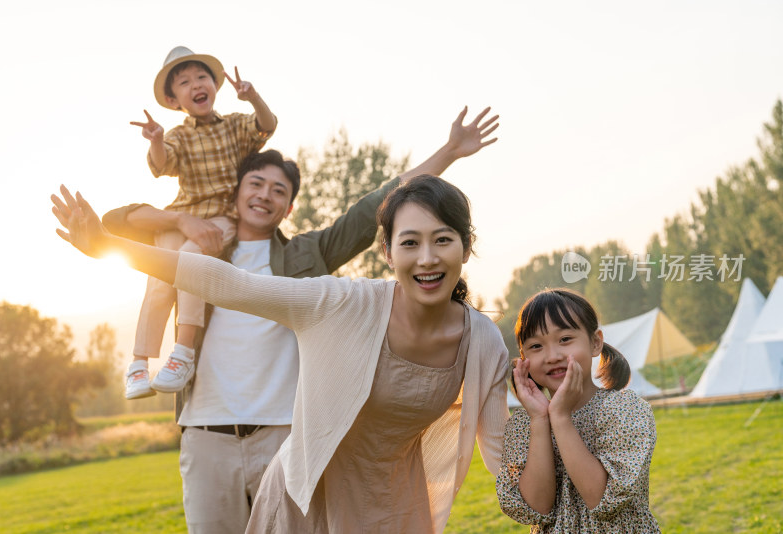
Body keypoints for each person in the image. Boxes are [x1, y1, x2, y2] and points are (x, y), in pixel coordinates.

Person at [68, 107, 500, 533]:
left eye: (278, 190)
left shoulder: (306, 261)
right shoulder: (203, 249)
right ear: (234, 192)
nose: (264, 195)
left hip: (284, 431)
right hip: (210, 430)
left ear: (290, 207)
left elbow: (381, 207)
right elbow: (215, 277)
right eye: (255, 184)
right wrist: (113, 242)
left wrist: (448, 152)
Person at [125, 45, 278, 400]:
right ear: (174, 99)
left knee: (192, 260)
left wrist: (252, 96)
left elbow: (266, 126)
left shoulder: (236, 125)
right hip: (182, 217)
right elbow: (163, 165)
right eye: (184, 82)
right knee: (159, 276)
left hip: (221, 217)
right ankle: (138, 362)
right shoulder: (178, 135)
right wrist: (158, 140)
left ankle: (183, 352)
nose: (196, 84)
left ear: (214, 85)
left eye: (202, 77)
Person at [496, 288, 660, 533]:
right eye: (536, 346)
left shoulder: (624, 410)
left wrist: (560, 418)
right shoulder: (525, 426)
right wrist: (541, 420)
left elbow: (602, 499)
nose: (552, 356)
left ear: (595, 342)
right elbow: (536, 507)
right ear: (524, 359)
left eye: (564, 340)